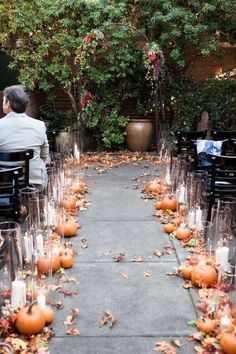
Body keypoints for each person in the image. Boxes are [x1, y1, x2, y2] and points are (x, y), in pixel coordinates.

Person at [0, 85, 49, 190]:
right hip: (34, 185)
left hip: (4, 186)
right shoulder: (39, 125)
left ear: (8, 103)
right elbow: (45, 157)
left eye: (3, 100)